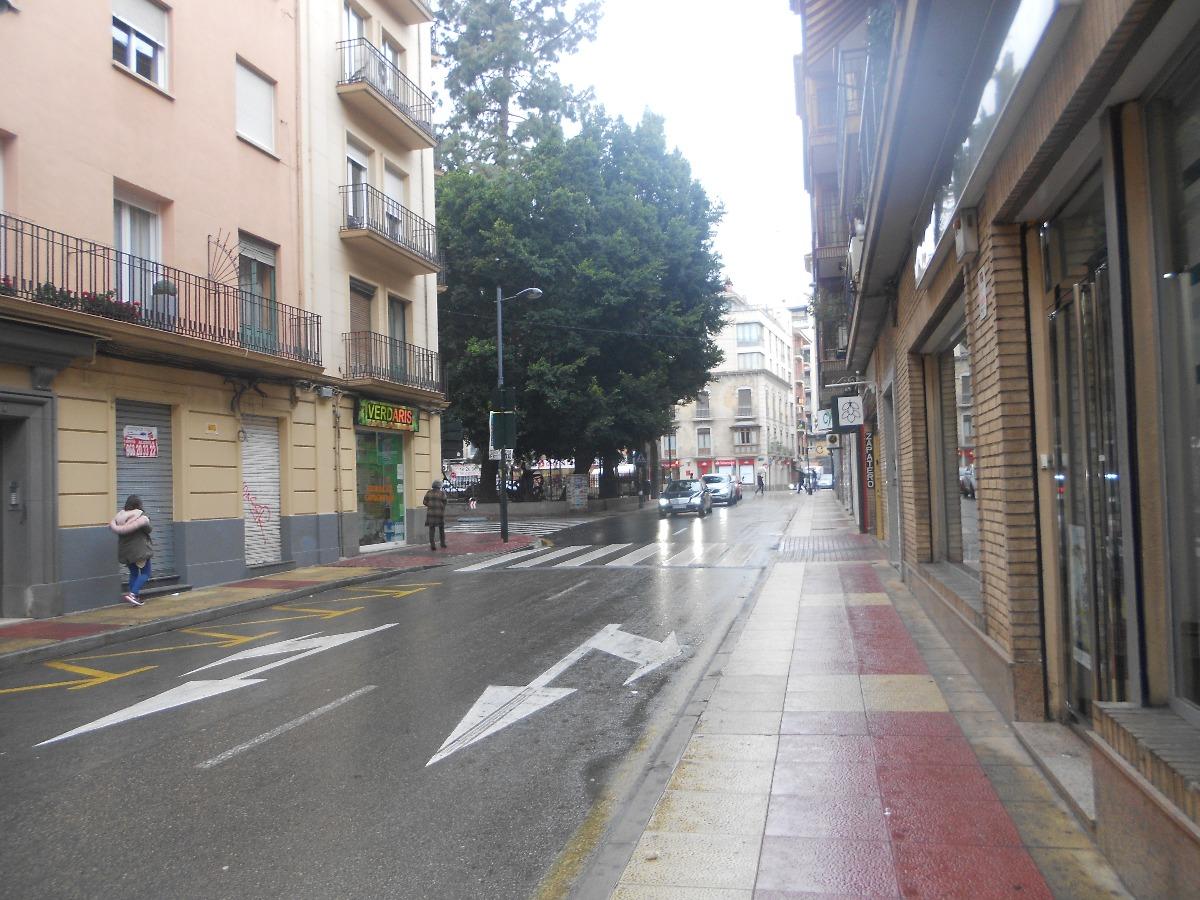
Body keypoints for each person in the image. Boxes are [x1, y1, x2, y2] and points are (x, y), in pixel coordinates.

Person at [109, 494, 153, 607]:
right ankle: (133, 594)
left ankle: (134, 598)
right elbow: (149, 530)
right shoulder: (140, 517)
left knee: (134, 573)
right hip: (139, 551)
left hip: (126, 551)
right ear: (138, 504)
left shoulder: (119, 518)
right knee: (146, 573)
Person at [423, 479, 448, 551]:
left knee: (431, 529)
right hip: (439, 513)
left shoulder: (429, 492)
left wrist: (430, 505)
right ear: (439, 486)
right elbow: (445, 502)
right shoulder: (442, 493)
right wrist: (440, 506)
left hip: (430, 513)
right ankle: (442, 543)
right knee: (441, 529)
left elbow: (424, 502)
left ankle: (432, 545)